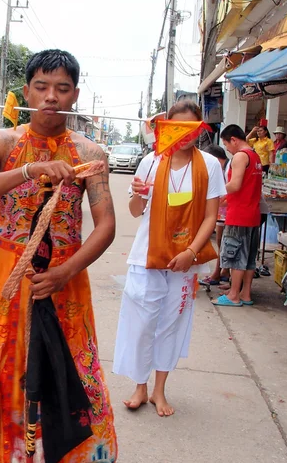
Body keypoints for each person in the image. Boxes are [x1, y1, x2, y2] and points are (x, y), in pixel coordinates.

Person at [0, 49, 123, 463]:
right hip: (7, 283)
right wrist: (30, 171)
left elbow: (106, 225)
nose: (51, 97)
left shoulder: (90, 155)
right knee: (0, 373)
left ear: (75, 93)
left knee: (77, 374)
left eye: (63, 88)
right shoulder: (1, 142)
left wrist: (64, 272)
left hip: (65, 282)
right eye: (42, 86)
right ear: (27, 90)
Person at [113, 101, 226, 417]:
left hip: (184, 260)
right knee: (142, 321)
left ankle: (159, 391)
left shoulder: (209, 166)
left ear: (200, 129)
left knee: (170, 324)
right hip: (147, 256)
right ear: (165, 128)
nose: (184, 136)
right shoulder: (150, 162)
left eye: (190, 129)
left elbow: (210, 217)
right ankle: (140, 386)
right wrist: (139, 194)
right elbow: (136, 212)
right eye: (176, 128)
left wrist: (191, 254)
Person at [214, 124, 263, 307]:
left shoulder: (240, 157)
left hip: (239, 215)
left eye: (227, 144)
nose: (227, 149)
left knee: (235, 257)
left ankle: (234, 295)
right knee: (249, 258)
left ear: (233, 140)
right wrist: (226, 198)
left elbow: (235, 184)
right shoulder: (255, 156)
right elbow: (245, 187)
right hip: (252, 214)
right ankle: (245, 294)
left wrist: (215, 192)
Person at [199, 144, 230, 286]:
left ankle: (218, 273)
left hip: (227, 212)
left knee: (222, 242)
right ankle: (222, 272)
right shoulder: (223, 167)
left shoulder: (226, 168)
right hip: (222, 212)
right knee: (221, 241)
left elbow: (225, 192)